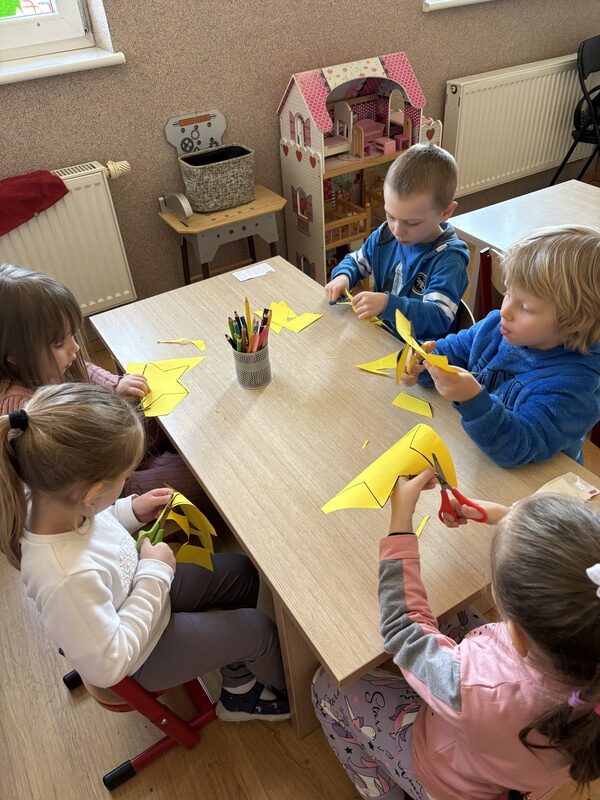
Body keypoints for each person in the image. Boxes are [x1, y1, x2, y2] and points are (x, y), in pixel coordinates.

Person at [0, 383, 289, 720]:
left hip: (138, 594)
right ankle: (275, 698)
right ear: (92, 493)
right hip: (139, 656)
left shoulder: (52, 499)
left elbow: (96, 523)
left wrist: (132, 510)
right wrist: (155, 574)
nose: (127, 482)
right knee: (259, 631)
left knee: (241, 573)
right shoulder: (65, 577)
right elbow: (111, 663)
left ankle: (239, 678)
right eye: (124, 478)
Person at [312, 469, 600, 799]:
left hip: (444, 780)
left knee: (326, 687)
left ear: (518, 635)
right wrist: (508, 523)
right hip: (522, 778)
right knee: (452, 614)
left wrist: (400, 523)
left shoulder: (477, 686)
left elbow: (404, 629)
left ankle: (384, 792)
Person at [0, 262, 209, 508]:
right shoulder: (19, 405)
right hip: (102, 489)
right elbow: (63, 487)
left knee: (164, 414)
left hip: (108, 451)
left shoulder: (49, 364)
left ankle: (154, 462)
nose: (75, 347)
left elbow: (84, 368)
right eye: (59, 344)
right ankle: (152, 467)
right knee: (202, 476)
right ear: (13, 356)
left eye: (72, 335)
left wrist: (115, 385)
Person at [401, 225, 600, 467]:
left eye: (525, 307)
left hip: (535, 483)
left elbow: (518, 448)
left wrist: (471, 400)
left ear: (573, 323)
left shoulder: (575, 384)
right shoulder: (497, 326)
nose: (504, 311)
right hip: (475, 457)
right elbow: (453, 351)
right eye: (508, 293)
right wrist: (423, 362)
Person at [324, 144, 470, 340]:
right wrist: (343, 276)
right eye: (391, 216)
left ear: (446, 212)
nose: (397, 230)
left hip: (416, 353)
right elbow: (356, 262)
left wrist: (388, 305)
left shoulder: (450, 259)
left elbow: (438, 317)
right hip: (380, 336)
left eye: (412, 222)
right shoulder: (385, 234)